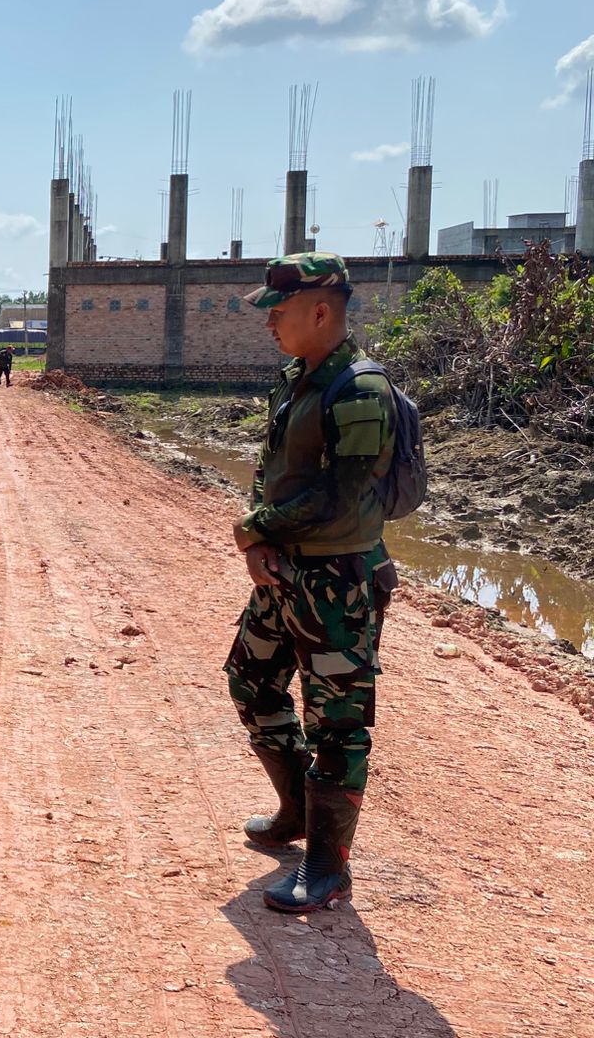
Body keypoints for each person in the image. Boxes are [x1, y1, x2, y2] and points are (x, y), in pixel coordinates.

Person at [226, 253, 399, 913]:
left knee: (337, 724)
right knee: (251, 681)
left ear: (321, 310)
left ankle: (328, 867)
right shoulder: (297, 379)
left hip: (337, 581)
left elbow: (339, 495)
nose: (269, 321)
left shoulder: (360, 391)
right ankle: (296, 809)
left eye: (279, 309)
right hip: (285, 571)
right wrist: (263, 540)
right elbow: (274, 472)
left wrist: (254, 528)